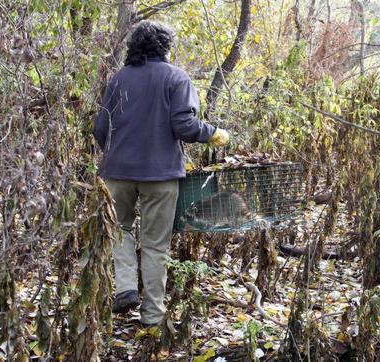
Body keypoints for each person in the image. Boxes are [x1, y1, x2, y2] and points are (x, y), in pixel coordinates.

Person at [93, 21, 229, 327]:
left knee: (120, 230)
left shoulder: (118, 80)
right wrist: (212, 132)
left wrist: (115, 155)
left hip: (118, 173)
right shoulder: (176, 78)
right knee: (155, 245)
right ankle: (153, 316)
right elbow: (184, 125)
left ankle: (126, 286)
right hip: (161, 176)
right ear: (165, 47)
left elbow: (100, 128)